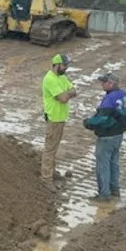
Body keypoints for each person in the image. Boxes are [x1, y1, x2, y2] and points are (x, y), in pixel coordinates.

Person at [83, 70, 126, 202]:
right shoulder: (125, 96)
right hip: (118, 134)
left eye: (104, 82)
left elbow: (102, 118)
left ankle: (104, 194)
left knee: (103, 165)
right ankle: (115, 189)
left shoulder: (110, 98)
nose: (102, 84)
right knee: (114, 163)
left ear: (111, 83)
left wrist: (88, 123)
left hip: (107, 136)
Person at [41, 53, 77, 185]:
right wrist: (66, 95)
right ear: (56, 65)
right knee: (49, 149)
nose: (66, 67)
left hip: (61, 118)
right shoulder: (50, 79)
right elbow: (63, 98)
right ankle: (46, 178)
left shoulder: (62, 77)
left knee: (54, 148)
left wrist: (66, 94)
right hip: (54, 119)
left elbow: (74, 91)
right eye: (64, 65)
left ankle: (51, 172)